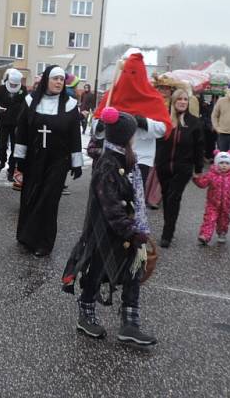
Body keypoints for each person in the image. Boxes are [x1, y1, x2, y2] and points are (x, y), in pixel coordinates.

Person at [62, 110, 157, 346]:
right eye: (133, 133)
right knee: (95, 273)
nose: (135, 137)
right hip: (105, 232)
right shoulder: (107, 166)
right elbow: (111, 207)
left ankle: (130, 324)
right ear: (126, 137)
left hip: (123, 230)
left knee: (133, 273)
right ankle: (86, 315)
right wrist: (132, 232)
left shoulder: (126, 159)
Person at [14, 65, 83, 257]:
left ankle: (44, 242)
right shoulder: (30, 101)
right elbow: (22, 132)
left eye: (62, 79)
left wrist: (76, 162)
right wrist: (19, 158)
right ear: (46, 80)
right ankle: (26, 237)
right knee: (31, 196)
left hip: (58, 161)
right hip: (34, 159)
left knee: (49, 200)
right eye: (55, 78)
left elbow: (75, 136)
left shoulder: (70, 105)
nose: (59, 82)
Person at [93, 52, 171, 188]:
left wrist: (144, 123)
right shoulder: (111, 95)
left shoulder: (154, 98)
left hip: (141, 157)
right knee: (111, 198)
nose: (130, 78)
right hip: (113, 156)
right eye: (128, 73)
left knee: (133, 199)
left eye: (134, 73)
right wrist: (99, 125)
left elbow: (164, 129)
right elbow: (97, 122)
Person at [154, 89, 203, 247]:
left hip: (183, 168)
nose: (183, 102)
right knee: (166, 196)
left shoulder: (194, 122)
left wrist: (198, 169)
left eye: (185, 99)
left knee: (174, 197)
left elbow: (199, 147)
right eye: (179, 99)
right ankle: (169, 225)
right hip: (163, 166)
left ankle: (167, 234)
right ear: (173, 102)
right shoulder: (164, 120)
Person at [193, 150, 230, 245]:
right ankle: (205, 236)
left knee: (224, 220)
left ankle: (222, 233)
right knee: (209, 219)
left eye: (227, 163)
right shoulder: (211, 175)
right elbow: (203, 183)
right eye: (221, 163)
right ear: (216, 163)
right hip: (212, 203)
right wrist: (196, 179)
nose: (224, 165)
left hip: (226, 204)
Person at [0, 68, 27, 182]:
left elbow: (25, 105)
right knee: (2, 145)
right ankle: (2, 161)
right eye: (12, 84)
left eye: (15, 85)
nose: (13, 86)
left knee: (15, 147)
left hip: (16, 123)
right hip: (3, 122)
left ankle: (11, 169)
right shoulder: (2, 88)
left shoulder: (23, 90)